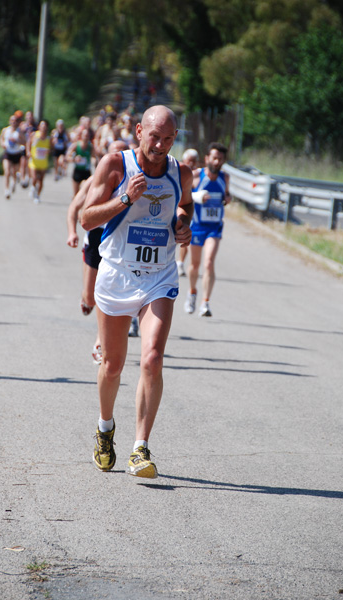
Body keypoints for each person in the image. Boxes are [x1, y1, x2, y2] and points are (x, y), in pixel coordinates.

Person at [81, 105, 193, 478]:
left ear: (175, 137)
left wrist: (182, 224)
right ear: (138, 131)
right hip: (116, 275)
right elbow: (86, 218)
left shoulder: (181, 172)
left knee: (152, 360)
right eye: (153, 136)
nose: (159, 145)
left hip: (159, 276)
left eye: (167, 138)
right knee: (112, 366)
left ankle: (140, 449)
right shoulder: (115, 165)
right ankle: (105, 428)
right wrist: (125, 199)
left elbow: (184, 205)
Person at [67, 140, 129, 365]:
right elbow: (74, 208)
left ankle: (99, 341)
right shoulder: (94, 181)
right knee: (91, 297)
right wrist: (71, 233)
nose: (118, 157)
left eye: (123, 153)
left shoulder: (131, 181)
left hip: (119, 242)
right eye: (115, 152)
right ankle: (85, 299)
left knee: (110, 293)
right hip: (95, 239)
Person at [184, 142, 231, 317]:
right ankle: (192, 292)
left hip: (214, 227)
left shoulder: (225, 178)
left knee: (209, 262)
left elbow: (226, 195)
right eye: (214, 158)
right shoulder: (196, 176)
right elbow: (184, 196)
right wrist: (197, 197)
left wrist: (228, 197)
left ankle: (206, 302)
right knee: (194, 265)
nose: (217, 161)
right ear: (207, 159)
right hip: (197, 226)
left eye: (220, 159)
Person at [176, 148, 200, 276]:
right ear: (184, 160)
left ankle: (187, 264)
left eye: (194, 161)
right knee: (183, 232)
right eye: (189, 160)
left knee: (189, 236)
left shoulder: (199, 174)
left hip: (198, 212)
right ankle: (180, 262)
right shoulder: (178, 171)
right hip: (183, 209)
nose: (191, 163)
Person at [0, 114, 26, 199]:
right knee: (7, 171)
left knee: (14, 172)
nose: (13, 122)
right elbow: (1, 139)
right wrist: (3, 144)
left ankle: (13, 182)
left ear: (18, 122)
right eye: (12, 121)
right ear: (10, 121)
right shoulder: (5, 130)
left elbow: (24, 142)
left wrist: (17, 141)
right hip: (8, 153)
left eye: (15, 121)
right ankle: (6, 190)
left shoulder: (19, 132)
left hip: (16, 154)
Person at [27, 120, 51, 203]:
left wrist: (48, 151)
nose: (43, 128)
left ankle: (37, 195)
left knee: (41, 180)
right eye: (42, 126)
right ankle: (33, 188)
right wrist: (28, 151)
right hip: (34, 160)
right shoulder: (34, 135)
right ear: (39, 127)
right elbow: (29, 143)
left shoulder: (48, 138)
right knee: (34, 178)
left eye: (45, 127)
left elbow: (51, 148)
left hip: (43, 162)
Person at [66, 128, 95, 196]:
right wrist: (74, 158)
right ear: (81, 136)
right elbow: (67, 156)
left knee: (85, 191)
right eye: (85, 135)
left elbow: (94, 156)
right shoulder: (76, 145)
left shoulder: (90, 146)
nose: (86, 137)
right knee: (76, 194)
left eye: (88, 135)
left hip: (86, 171)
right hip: (77, 171)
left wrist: (93, 160)